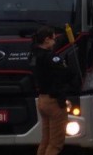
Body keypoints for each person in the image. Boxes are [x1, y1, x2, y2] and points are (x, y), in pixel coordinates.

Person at [32, 26, 78, 155]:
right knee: (55, 143)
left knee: (45, 140)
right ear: (47, 40)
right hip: (54, 101)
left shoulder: (34, 55)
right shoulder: (51, 58)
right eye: (53, 39)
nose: (54, 42)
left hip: (42, 99)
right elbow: (67, 73)